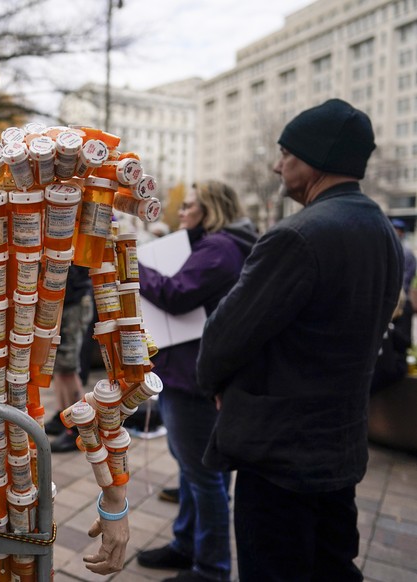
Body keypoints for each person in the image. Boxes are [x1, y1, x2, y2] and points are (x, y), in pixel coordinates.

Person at [196, 99, 402, 582]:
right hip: (340, 448)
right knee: (332, 567)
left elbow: (226, 336)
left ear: (314, 160)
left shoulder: (299, 235)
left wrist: (216, 384)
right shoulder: (382, 231)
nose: (276, 164)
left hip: (280, 456)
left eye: (285, 152)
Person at [136, 181, 257, 582]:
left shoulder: (218, 248)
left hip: (194, 376)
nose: (182, 213)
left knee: (205, 478)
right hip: (193, 371)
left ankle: (210, 569)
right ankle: (185, 545)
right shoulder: (221, 244)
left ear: (210, 209)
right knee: (196, 472)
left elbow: (175, 293)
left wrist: (132, 263)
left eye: (189, 207)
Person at [46, 265, 93, 452]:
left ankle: (80, 429)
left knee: (68, 367)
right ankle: (63, 416)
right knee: (58, 365)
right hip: (60, 299)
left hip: (72, 298)